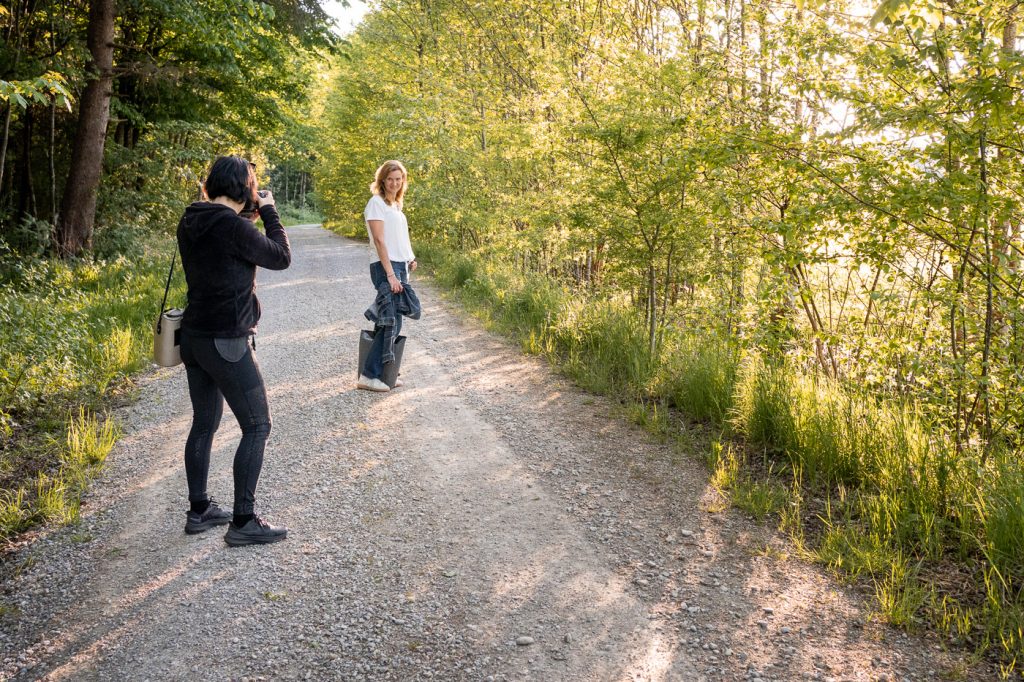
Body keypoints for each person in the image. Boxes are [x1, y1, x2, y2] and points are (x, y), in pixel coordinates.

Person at [176, 155, 291, 546]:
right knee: (258, 425)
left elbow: (227, 244)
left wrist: (248, 218)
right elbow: (280, 256)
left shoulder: (193, 217)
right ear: (246, 188)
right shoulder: (231, 226)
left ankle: (199, 509)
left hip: (193, 337)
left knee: (204, 424)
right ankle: (243, 521)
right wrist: (271, 212)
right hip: (226, 339)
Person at [357, 160, 418, 392]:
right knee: (391, 320)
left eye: (398, 179)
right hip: (386, 267)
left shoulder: (396, 206)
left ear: (403, 181)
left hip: (400, 265)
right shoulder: (376, 203)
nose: (394, 183)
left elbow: (398, 237)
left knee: (390, 319)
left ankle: (385, 373)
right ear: (382, 180)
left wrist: (409, 257)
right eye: (390, 178)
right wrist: (391, 274)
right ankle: (368, 375)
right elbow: (380, 240)